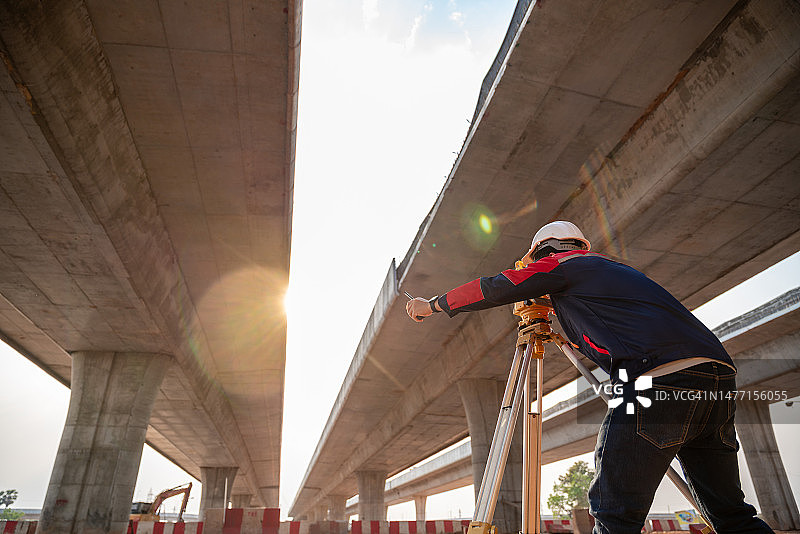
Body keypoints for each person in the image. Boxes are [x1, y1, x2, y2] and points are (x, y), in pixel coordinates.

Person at [405, 221, 772, 533]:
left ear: (542, 253)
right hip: (717, 379)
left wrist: (431, 305)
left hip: (658, 378)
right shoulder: (616, 272)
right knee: (730, 514)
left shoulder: (563, 265)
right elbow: (612, 335)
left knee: (615, 516)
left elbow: (494, 286)